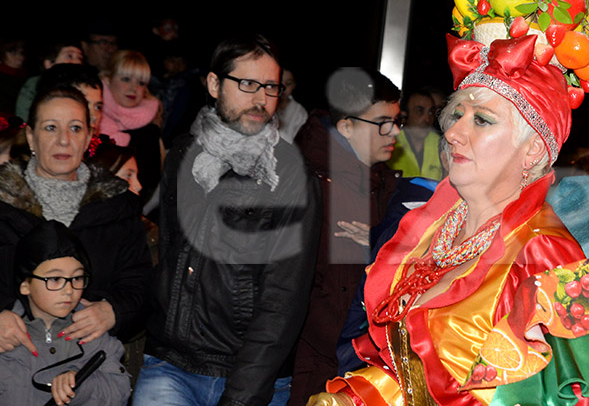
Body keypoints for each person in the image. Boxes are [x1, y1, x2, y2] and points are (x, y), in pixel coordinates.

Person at [309, 35, 589, 406]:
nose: (453, 134)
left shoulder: (543, 253)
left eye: (482, 121)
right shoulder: (433, 229)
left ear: (533, 148)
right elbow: (404, 372)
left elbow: (579, 396)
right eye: (457, 116)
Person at [133, 33, 320, 406]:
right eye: (248, 83)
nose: (260, 99)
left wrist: (242, 396)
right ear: (215, 84)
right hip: (170, 362)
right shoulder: (183, 153)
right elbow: (170, 252)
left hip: (246, 375)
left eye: (270, 87)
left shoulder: (290, 176)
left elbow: (283, 302)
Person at [0, 86, 152, 354]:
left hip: (92, 366)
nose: (63, 140)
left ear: (88, 137)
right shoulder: (3, 203)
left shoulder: (117, 206)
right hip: (12, 364)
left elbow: (140, 284)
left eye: (75, 128)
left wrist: (113, 311)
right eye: (50, 128)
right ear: (31, 138)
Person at [290, 67, 403, 401]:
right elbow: (305, 293)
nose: (394, 132)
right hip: (317, 369)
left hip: (358, 364)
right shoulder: (308, 186)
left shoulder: (384, 185)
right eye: (382, 122)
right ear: (347, 126)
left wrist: (378, 244)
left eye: (397, 120)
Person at [0, 220, 130, 405]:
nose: (69, 289)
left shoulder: (93, 334)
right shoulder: (4, 334)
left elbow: (119, 392)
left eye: (77, 278)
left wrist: (80, 384)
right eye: (54, 278)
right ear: (25, 284)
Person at [99, 50, 164, 201]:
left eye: (141, 83)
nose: (134, 88)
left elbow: (150, 185)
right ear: (108, 79)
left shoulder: (149, 131)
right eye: (126, 79)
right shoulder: (91, 117)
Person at [15, 39, 84, 121]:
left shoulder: (83, 87)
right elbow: (23, 118)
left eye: (80, 58)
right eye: (69, 56)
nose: (76, 62)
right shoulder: (33, 85)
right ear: (49, 63)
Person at [386, 89, 443, 180]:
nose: (427, 119)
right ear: (404, 114)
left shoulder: (440, 144)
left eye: (431, 112)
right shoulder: (391, 142)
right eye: (419, 111)